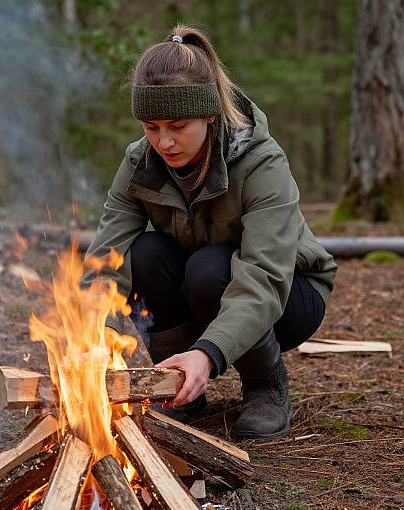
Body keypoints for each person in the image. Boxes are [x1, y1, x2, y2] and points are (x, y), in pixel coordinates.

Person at [83, 25, 337, 441]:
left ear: (209, 112)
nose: (163, 141)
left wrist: (208, 353)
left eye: (178, 125)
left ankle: (265, 387)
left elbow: (264, 275)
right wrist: (95, 332)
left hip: (288, 293)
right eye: (150, 127)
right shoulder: (139, 164)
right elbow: (106, 255)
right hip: (201, 287)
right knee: (143, 253)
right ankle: (177, 389)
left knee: (209, 268)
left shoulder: (261, 163)